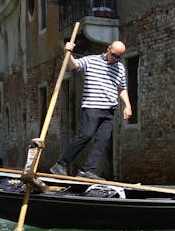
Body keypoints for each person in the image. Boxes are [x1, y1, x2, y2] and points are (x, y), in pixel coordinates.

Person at [50, 40, 132, 180]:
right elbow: (74, 65)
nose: (115, 59)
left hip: (109, 109)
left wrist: (128, 105)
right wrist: (67, 52)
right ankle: (61, 165)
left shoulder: (120, 68)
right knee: (86, 134)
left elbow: (122, 88)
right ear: (108, 48)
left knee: (102, 140)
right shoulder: (91, 60)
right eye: (113, 55)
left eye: (118, 57)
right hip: (92, 106)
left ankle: (86, 170)